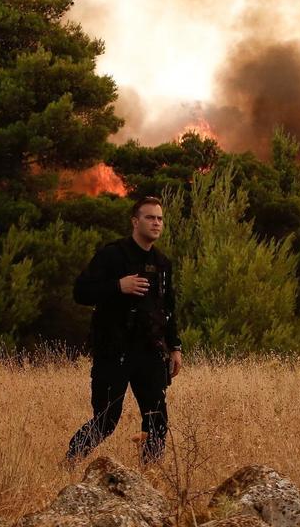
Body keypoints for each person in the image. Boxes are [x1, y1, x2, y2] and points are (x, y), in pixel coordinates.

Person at [65, 196, 183, 465]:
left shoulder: (163, 263)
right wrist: (118, 287)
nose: (156, 223)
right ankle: (70, 462)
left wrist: (175, 346)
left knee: (157, 418)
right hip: (113, 351)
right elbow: (80, 291)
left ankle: (150, 474)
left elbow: (168, 308)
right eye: (149, 217)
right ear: (135, 221)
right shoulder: (112, 255)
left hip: (150, 351)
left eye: (160, 218)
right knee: (106, 418)